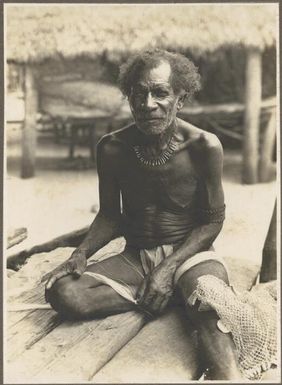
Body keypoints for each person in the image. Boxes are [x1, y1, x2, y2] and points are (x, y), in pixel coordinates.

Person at [42, 49, 242, 380]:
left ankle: (221, 363)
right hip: (135, 257)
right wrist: (81, 252)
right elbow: (109, 216)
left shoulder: (205, 146)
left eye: (160, 92)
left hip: (190, 254)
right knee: (63, 293)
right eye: (139, 93)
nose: (148, 104)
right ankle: (174, 297)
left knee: (211, 304)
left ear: (181, 99)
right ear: (130, 98)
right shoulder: (111, 148)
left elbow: (212, 221)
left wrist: (168, 269)